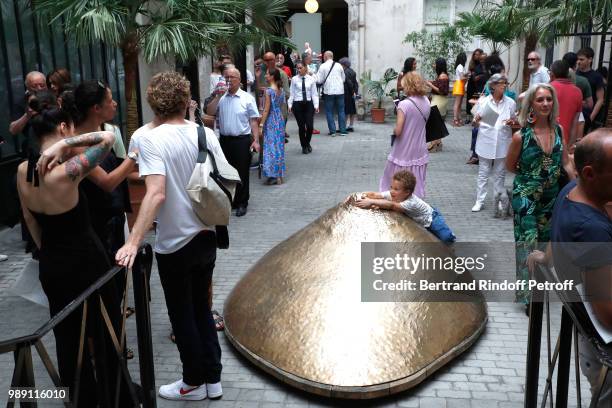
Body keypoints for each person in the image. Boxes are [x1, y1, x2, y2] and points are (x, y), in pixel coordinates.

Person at [116, 71, 224, 401]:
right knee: (202, 309)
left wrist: (133, 240)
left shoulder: (149, 139)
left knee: (182, 314)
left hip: (176, 242)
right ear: (183, 99)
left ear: (153, 103)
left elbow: (156, 193)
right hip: (207, 234)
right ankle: (213, 380)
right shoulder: (205, 134)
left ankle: (192, 382)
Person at [17, 106, 129, 406]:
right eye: (68, 132)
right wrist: (65, 146)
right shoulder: (66, 170)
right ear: (64, 128)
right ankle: (115, 398)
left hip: (52, 263)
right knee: (105, 332)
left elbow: (30, 221)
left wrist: (48, 251)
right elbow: (107, 138)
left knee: (66, 338)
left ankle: (80, 400)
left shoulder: (23, 170)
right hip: (86, 261)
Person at [528, 129, 612, 403]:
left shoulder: (570, 192)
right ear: (589, 173)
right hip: (599, 345)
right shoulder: (591, 229)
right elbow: (607, 313)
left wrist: (547, 257)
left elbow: (563, 237)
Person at [506, 83, 565, 306]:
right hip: (526, 198)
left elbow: (565, 162)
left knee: (543, 245)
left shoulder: (559, 131)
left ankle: (538, 289)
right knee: (527, 243)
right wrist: (532, 178)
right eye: (540, 99)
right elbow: (510, 166)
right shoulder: (521, 137)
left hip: (551, 197)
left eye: (549, 99)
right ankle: (528, 297)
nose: (545, 103)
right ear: (531, 104)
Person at [356, 170, 455, 243]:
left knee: (445, 237)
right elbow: (376, 195)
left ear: (407, 192)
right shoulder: (394, 194)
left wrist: (370, 202)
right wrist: (360, 195)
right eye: (391, 187)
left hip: (432, 218)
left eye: (396, 189)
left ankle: (451, 236)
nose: (391, 191)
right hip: (420, 219)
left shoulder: (411, 202)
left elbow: (391, 205)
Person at [216, 67, 261, 217]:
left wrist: (255, 140)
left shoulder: (247, 98)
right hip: (224, 140)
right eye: (226, 77)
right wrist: (217, 96)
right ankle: (231, 201)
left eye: (231, 77)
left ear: (239, 80)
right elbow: (211, 114)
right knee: (226, 173)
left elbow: (253, 121)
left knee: (242, 173)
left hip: (241, 140)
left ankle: (242, 202)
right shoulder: (221, 98)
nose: (228, 80)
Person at [471, 74, 517, 212]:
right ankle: (479, 201)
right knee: (483, 173)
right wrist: (476, 120)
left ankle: (498, 200)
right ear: (493, 86)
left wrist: (512, 122)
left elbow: (514, 120)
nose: (504, 85)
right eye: (501, 83)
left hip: (502, 142)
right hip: (486, 140)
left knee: (500, 173)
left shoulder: (510, 102)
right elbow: (475, 123)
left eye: (505, 83)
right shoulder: (483, 101)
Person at [380, 72, 430, 198]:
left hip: (404, 147)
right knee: (415, 176)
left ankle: (394, 199)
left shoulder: (404, 104)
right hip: (420, 146)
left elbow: (398, 130)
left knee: (396, 174)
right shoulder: (426, 101)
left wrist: (394, 130)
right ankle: (415, 200)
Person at [259, 68, 286, 185]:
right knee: (279, 147)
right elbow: (280, 105)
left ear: (272, 77)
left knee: (270, 147)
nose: (265, 76)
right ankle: (279, 174)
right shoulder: (281, 90)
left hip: (271, 120)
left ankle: (273, 174)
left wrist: (261, 124)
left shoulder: (269, 91)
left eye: (267, 74)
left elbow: (266, 110)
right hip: (279, 119)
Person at [550, 60, 583, 147]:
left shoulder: (548, 88)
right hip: (565, 141)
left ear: (552, 73)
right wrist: (570, 145)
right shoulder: (578, 92)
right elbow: (575, 122)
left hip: (547, 140)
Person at [9, 71, 47, 145]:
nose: (39, 89)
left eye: (42, 85)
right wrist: (27, 115)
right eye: (34, 86)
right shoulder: (21, 102)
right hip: (35, 143)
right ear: (28, 87)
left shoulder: (52, 97)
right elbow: (13, 130)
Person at [288, 61, 319, 154]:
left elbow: (314, 93)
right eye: (297, 68)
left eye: (301, 68)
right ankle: (304, 146)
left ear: (305, 68)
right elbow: (292, 93)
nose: (299, 70)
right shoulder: (294, 79)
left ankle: (307, 143)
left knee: (310, 126)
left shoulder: (311, 79)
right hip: (298, 104)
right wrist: (290, 105)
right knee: (301, 127)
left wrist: (316, 105)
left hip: (309, 104)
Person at [317, 50, 346, 136]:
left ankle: (333, 131)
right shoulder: (339, 65)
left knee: (329, 111)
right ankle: (343, 131)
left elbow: (319, 80)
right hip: (340, 91)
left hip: (329, 92)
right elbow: (343, 79)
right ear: (332, 57)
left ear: (325, 57)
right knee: (341, 111)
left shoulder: (323, 66)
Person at [577, 47, 606, 132]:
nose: (578, 62)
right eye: (578, 59)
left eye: (582, 59)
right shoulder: (574, 74)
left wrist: (591, 118)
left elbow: (600, 99)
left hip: (587, 115)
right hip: (574, 114)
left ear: (590, 59)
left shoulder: (596, 77)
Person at [426, 58, 449, 152]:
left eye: (435, 64)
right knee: (438, 121)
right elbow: (440, 85)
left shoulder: (443, 76)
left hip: (439, 100)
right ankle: (438, 142)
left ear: (439, 65)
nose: (433, 65)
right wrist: (432, 82)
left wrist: (429, 84)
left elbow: (441, 90)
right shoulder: (442, 75)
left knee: (433, 122)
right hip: (439, 100)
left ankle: (433, 144)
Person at [339, 57, 358, 132]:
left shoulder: (345, 72)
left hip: (347, 93)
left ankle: (344, 126)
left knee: (346, 110)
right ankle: (351, 125)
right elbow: (356, 83)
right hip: (351, 94)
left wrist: (352, 91)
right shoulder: (352, 71)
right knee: (352, 110)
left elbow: (349, 83)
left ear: (343, 65)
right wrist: (355, 92)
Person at [465, 49, 484, 120]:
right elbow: (469, 72)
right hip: (471, 84)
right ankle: (468, 117)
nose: (476, 56)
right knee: (469, 99)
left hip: (479, 85)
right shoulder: (472, 63)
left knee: (477, 100)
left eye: (477, 54)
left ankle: (475, 116)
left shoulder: (482, 64)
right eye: (475, 54)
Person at [452, 52, 467, 127]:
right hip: (459, 85)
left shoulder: (460, 66)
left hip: (460, 85)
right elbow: (461, 77)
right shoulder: (460, 66)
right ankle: (455, 119)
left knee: (459, 103)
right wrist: (468, 76)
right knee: (457, 103)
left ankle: (459, 118)